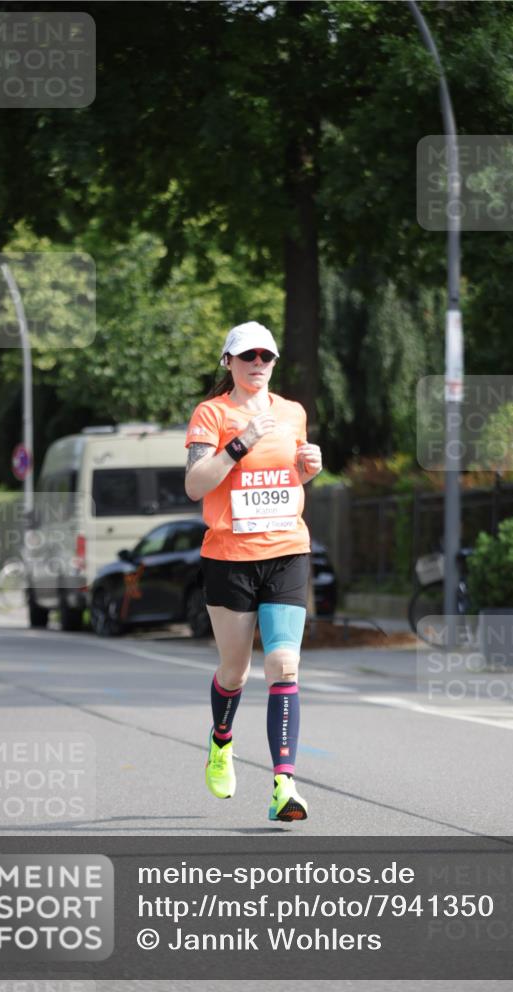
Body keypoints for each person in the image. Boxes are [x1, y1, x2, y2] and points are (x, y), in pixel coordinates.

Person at [184, 321, 322, 822]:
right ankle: (222, 740)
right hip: (229, 559)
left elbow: (291, 474)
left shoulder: (292, 412)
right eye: (248, 357)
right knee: (235, 669)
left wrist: (310, 466)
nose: (258, 364)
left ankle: (284, 785)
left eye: (266, 356)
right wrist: (239, 443)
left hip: (287, 549)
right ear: (229, 363)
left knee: (284, 666)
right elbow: (196, 485)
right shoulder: (212, 414)